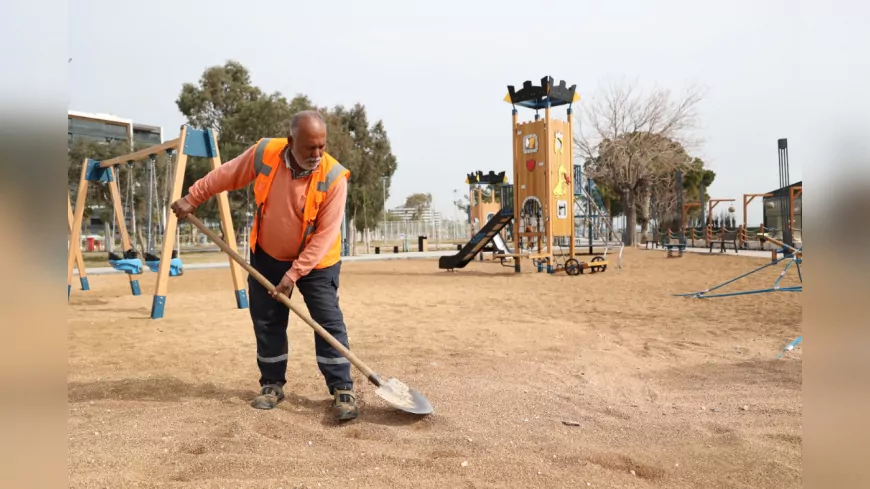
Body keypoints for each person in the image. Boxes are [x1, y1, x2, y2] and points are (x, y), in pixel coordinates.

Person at [169, 110, 358, 421]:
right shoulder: (265, 153)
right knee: (267, 322)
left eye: (322, 146)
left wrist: (294, 274)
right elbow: (227, 173)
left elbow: (324, 235)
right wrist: (193, 196)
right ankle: (272, 384)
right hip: (267, 255)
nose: (317, 154)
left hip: (316, 263)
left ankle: (342, 388)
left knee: (327, 322)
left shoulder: (334, 176)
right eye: (310, 147)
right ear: (291, 141)